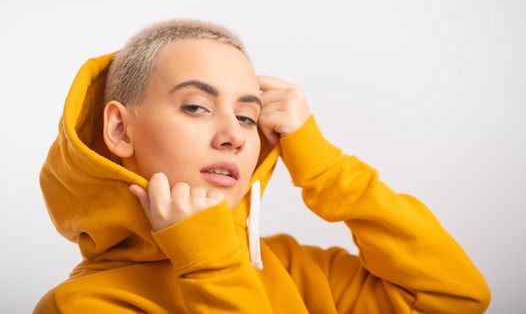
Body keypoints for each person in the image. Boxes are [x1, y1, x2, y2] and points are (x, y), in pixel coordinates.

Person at [34, 19, 491, 313]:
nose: (233, 135)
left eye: (248, 117)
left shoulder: (294, 269)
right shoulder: (80, 305)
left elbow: (455, 297)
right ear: (119, 130)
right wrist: (211, 266)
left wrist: (324, 165)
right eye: (195, 107)